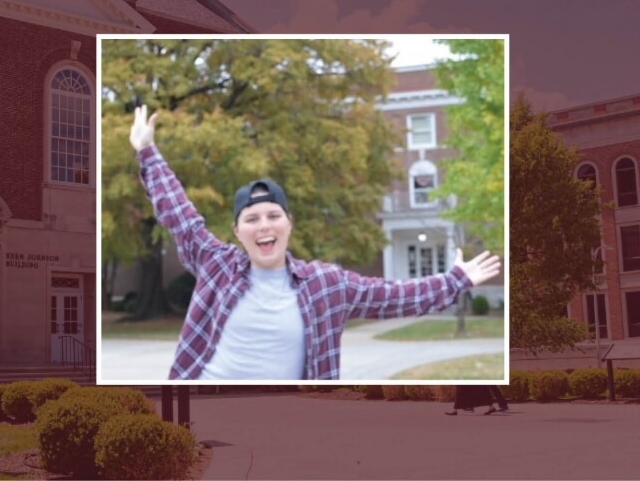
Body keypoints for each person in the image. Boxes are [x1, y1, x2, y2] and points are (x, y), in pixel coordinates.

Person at [129, 104, 503, 380]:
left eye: (274, 216)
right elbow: (179, 215)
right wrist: (148, 152)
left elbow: (394, 296)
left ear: (289, 224)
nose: (264, 226)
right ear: (238, 230)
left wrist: (456, 279)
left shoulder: (326, 285)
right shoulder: (216, 265)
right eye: (253, 219)